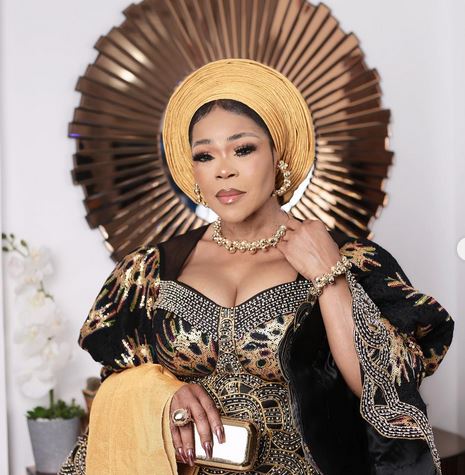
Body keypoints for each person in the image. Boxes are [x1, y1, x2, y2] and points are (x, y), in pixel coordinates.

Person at [60, 59, 454, 475]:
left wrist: (330, 277)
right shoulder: (150, 271)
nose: (223, 169)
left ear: (277, 154)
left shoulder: (349, 259)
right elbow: (114, 386)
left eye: (243, 149)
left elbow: (389, 395)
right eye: (205, 155)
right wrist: (162, 396)